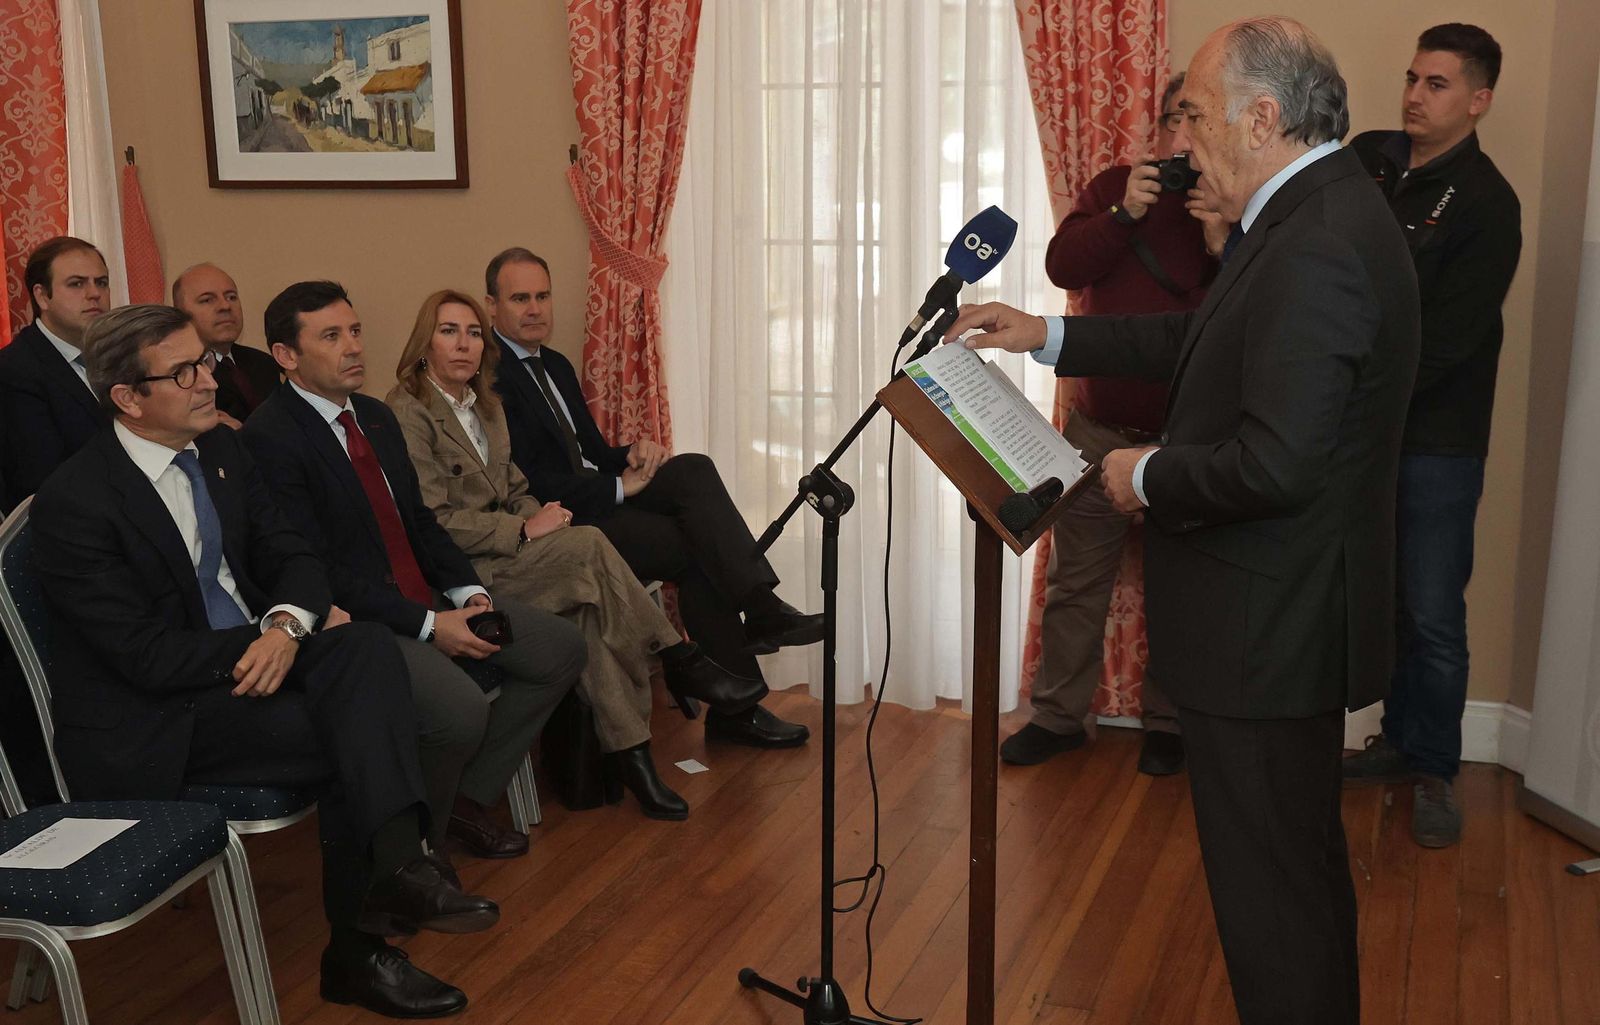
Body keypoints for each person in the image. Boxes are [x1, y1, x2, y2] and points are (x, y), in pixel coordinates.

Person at [945, 18, 1419, 1024]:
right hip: (1279, 617)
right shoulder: (1308, 215)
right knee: (1292, 883)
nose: (1182, 137)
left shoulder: (1316, 243)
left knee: (1271, 902)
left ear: (1262, 116)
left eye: (1196, 114)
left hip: (1266, 626)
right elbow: (1199, 338)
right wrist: (1050, 333)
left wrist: (1144, 473)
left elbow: (1279, 460)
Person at [32, 303, 490, 1018]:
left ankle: (395, 879)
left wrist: (283, 625)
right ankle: (368, 935)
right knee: (356, 726)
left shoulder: (221, 451)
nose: (209, 382)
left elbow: (295, 555)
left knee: (366, 648)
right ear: (127, 397)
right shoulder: (77, 501)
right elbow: (144, 655)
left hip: (253, 664)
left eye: (205, 363)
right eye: (183, 372)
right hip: (154, 718)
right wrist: (266, 642)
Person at [387, 290, 785, 819]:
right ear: (423, 343)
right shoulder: (408, 410)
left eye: (473, 333)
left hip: (522, 552)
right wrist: (526, 530)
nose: (464, 344)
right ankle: (676, 656)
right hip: (470, 569)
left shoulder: (486, 405)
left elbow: (516, 484)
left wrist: (543, 514)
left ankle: (635, 759)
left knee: (590, 613)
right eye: (448, 331)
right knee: (594, 545)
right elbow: (433, 520)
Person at [242, 281, 586, 862]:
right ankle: (412, 851)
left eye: (354, 331)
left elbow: (421, 523)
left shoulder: (374, 417)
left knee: (559, 649)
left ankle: (458, 804)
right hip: (362, 622)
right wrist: (429, 625)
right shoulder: (270, 438)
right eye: (331, 336)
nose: (353, 347)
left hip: (427, 596)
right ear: (286, 356)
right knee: (459, 711)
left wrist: (468, 592)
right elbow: (314, 568)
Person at [486, 249, 814, 748]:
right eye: (520, 298)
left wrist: (632, 455)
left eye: (543, 296)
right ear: (492, 307)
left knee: (691, 468)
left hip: (600, 495)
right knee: (695, 548)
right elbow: (530, 482)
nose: (535, 309)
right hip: (565, 522)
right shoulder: (490, 379)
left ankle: (759, 608)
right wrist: (619, 487)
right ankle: (739, 698)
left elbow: (590, 453)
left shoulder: (552, 364)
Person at [1003, 71, 1222, 773]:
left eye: (1197, 121)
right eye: (1173, 120)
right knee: (1076, 582)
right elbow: (1063, 265)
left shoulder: (1230, 204)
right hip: (1096, 433)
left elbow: (1235, 314)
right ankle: (1059, 717)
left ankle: (1168, 720)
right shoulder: (1112, 188)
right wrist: (1124, 214)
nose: (1182, 137)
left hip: (1186, 440)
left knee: (1181, 586)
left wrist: (1220, 229)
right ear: (1157, 128)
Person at [1342, 24, 1521, 850]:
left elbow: (1445, 345)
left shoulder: (1488, 203)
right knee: (1374, 595)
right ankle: (1394, 740)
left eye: (1438, 83)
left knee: (1432, 607)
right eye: (1413, 77)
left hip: (1436, 438)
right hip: (1358, 426)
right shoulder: (1368, 156)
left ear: (1479, 100)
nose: (1415, 94)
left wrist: (1354, 398)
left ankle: (1436, 765)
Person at [0, 236, 111, 512]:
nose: (94, 293)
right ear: (41, 296)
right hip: (70, 529)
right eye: (77, 283)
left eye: (102, 282)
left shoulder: (120, 358)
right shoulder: (15, 370)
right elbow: (42, 480)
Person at [172, 262, 282, 425]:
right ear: (179, 313)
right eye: (207, 300)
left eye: (231, 297)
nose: (225, 306)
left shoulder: (264, 363)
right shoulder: (178, 374)